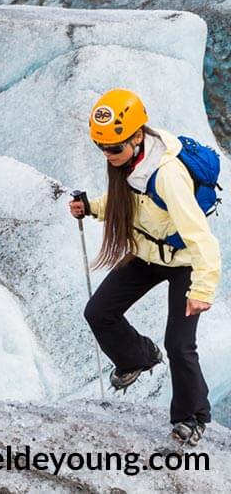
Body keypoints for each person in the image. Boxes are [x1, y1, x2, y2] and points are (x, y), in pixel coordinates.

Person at [70, 88, 220, 446]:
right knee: (99, 312)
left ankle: (192, 417)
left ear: (138, 136)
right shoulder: (131, 162)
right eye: (102, 147)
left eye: (115, 147)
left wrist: (202, 289)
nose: (109, 155)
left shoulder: (167, 174)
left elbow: (202, 238)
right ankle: (137, 357)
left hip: (182, 261)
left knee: (180, 344)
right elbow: (134, 205)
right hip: (146, 254)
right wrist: (92, 206)